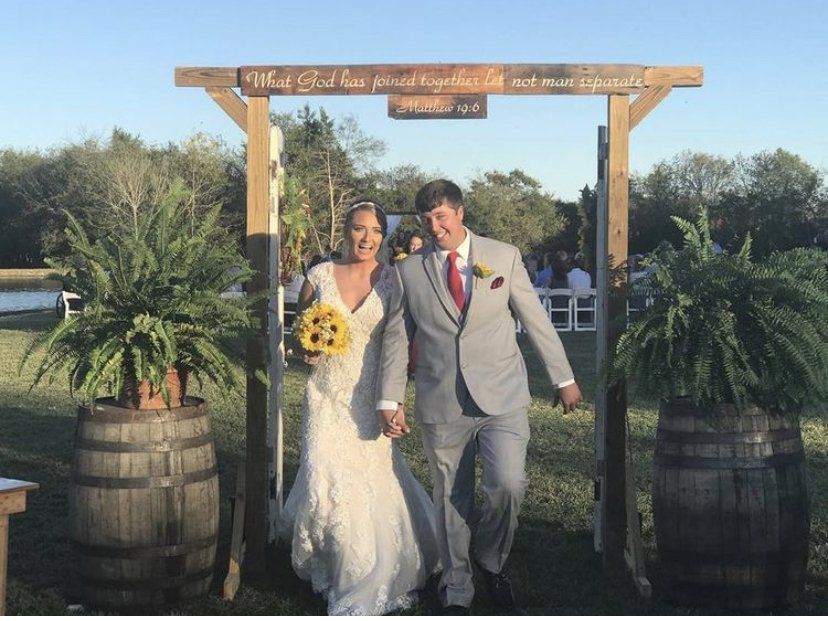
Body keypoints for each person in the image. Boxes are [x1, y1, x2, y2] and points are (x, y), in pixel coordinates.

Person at [376, 180, 582, 614]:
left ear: (460, 212)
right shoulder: (409, 271)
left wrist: (562, 378)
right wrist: (389, 399)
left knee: (508, 485)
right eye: (426, 220)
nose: (434, 227)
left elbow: (536, 319)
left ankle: (490, 560)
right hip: (441, 400)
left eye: (441, 217)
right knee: (452, 497)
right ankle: (457, 587)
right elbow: (397, 339)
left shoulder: (502, 256)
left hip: (503, 395)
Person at [281, 199, 440, 615]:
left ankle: (362, 574)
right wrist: (309, 350)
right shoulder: (318, 276)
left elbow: (402, 343)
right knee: (321, 476)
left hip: (371, 397)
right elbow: (299, 337)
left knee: (368, 482)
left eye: (375, 231)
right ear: (346, 231)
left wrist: (395, 398)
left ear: (383, 237)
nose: (366, 238)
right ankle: (332, 563)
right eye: (358, 229)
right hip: (325, 396)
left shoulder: (394, 279)